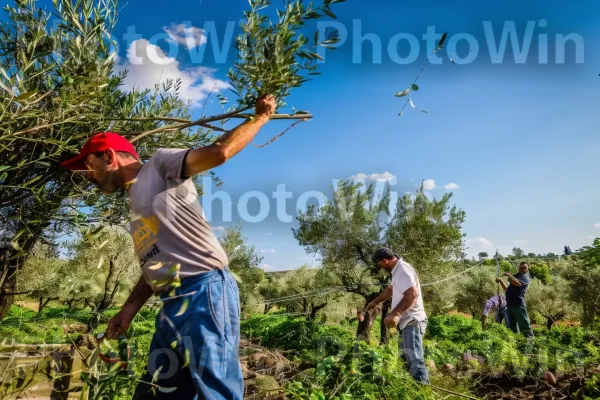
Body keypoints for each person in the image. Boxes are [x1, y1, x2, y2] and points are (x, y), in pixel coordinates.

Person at [60, 95, 277, 400]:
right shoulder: (135, 206)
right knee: (156, 391)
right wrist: (128, 310)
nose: (87, 176)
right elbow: (157, 266)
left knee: (215, 391)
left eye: (88, 164)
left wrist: (260, 118)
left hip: (204, 289)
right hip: (172, 300)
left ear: (109, 156)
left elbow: (219, 152)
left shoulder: (159, 165)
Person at [362, 248, 429, 383]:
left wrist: (395, 313)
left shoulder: (403, 269)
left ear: (385, 261)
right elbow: (391, 290)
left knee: (415, 360)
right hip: (405, 323)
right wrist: (374, 302)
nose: (380, 267)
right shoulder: (397, 271)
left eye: (379, 264)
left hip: (412, 320)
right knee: (405, 359)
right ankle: (411, 390)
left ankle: (422, 392)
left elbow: (412, 294)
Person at [497, 262, 534, 338]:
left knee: (524, 324)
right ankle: (517, 341)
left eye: (524, 268)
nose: (522, 269)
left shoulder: (525, 277)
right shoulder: (516, 276)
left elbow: (517, 283)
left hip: (518, 305)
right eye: (520, 268)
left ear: (528, 269)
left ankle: (530, 342)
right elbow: (506, 290)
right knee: (512, 326)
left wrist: (509, 275)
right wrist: (501, 281)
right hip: (510, 305)